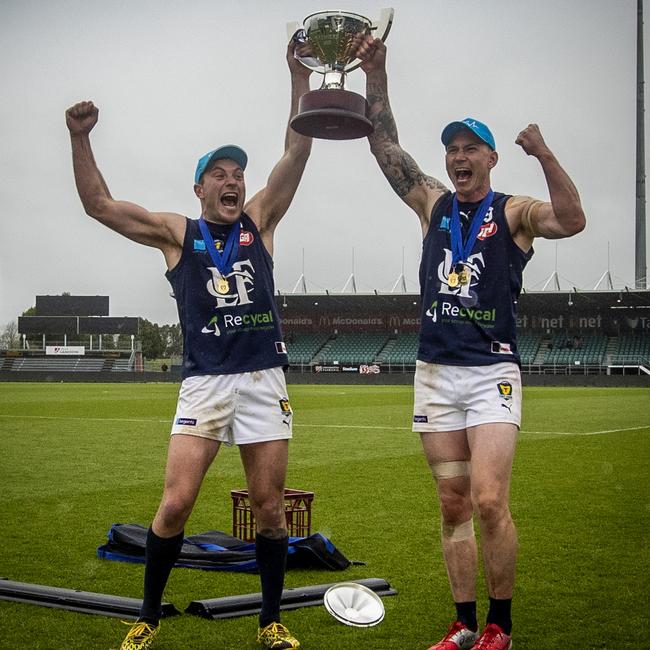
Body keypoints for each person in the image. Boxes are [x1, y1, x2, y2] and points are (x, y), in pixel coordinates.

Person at [65, 40, 312, 650]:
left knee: (270, 508)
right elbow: (98, 205)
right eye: (220, 175)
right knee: (174, 506)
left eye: (238, 175)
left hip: (262, 378)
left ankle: (269, 621)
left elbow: (297, 149)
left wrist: (298, 77)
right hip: (204, 382)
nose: (233, 181)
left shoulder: (259, 222)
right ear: (199, 187)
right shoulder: (179, 234)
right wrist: (80, 137)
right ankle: (147, 615)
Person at [355, 37, 585, 650]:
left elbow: (574, 218)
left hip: (491, 373)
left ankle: (499, 627)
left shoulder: (513, 213)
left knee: (488, 499)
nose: (459, 157)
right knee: (453, 502)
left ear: (490, 158)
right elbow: (385, 148)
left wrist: (543, 152)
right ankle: (461, 623)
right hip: (435, 372)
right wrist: (377, 73)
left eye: (470, 149)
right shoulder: (432, 203)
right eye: (452, 149)